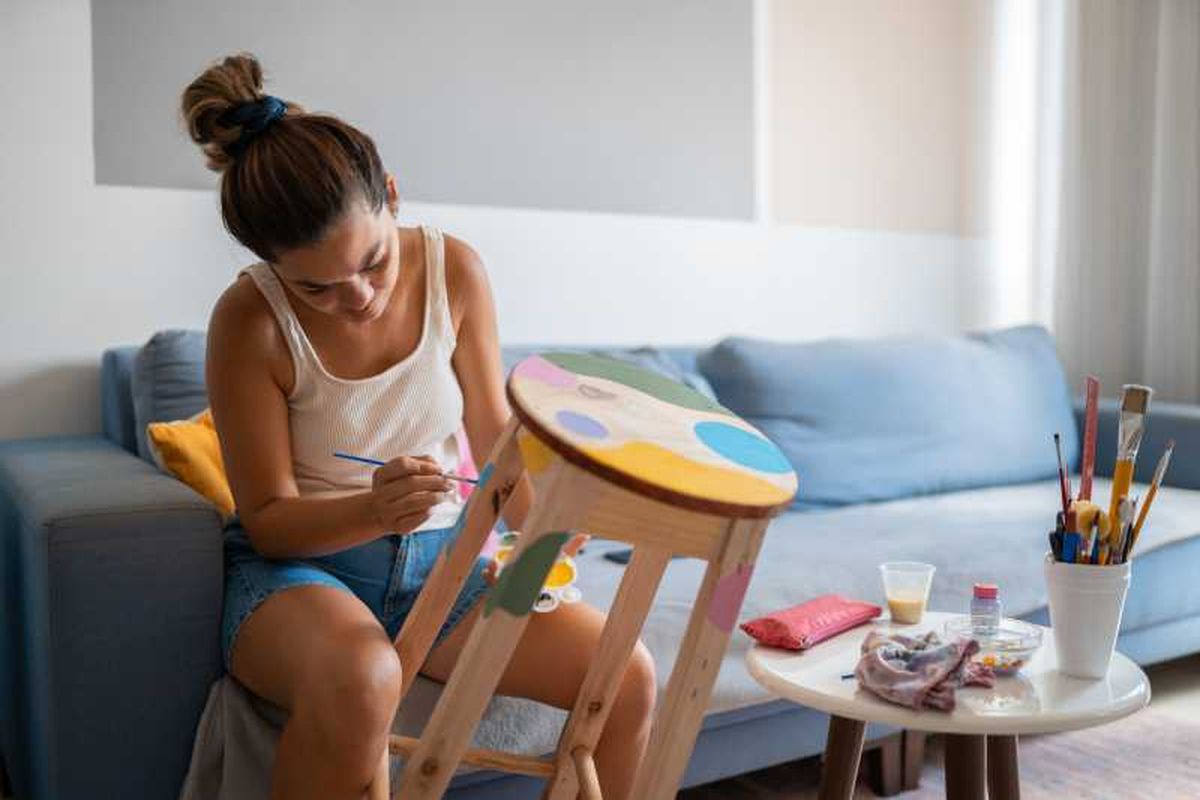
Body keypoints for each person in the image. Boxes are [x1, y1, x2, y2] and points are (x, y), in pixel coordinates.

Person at [182, 53, 655, 800]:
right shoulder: (249, 321)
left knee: (626, 674)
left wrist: (546, 526)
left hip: (448, 563)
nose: (361, 297)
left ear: (393, 197)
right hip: (298, 576)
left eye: (373, 263)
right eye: (318, 287)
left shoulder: (455, 271)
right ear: (269, 266)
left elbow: (496, 431)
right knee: (363, 675)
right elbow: (269, 523)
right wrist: (372, 508)